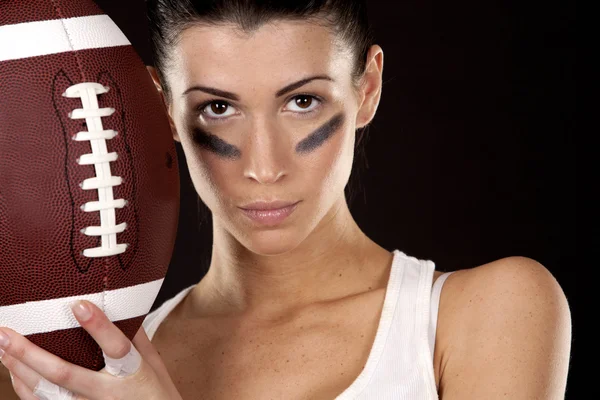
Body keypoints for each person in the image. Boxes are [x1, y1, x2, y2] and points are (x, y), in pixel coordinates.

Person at [0, 0, 572, 399]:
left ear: (366, 88)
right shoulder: (89, 363)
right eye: (218, 107)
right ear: (161, 107)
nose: (264, 167)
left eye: (302, 102)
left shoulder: (485, 314)